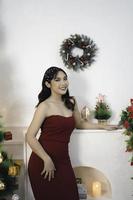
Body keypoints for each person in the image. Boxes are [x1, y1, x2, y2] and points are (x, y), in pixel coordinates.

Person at [26, 66, 118, 200]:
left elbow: (80, 124)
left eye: (65, 79)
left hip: (63, 161)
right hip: (42, 163)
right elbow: (30, 136)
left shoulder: (71, 101)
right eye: (57, 80)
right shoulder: (44, 106)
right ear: (48, 84)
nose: (63, 83)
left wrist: (103, 126)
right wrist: (47, 159)